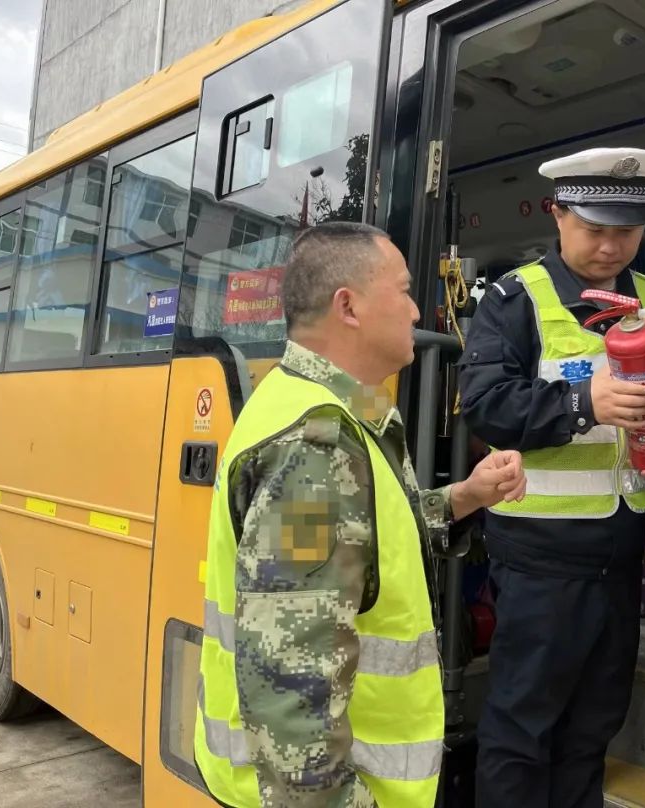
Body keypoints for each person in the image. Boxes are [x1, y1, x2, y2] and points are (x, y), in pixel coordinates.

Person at [194, 222, 527, 808]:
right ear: (348, 307)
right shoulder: (313, 448)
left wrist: (464, 497)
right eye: (401, 290)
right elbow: (289, 690)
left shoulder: (329, 401)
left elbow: (366, 541)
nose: (416, 308)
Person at [457, 147, 645, 808]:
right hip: (540, 560)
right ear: (557, 214)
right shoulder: (516, 299)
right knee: (521, 730)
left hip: (621, 559)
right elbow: (484, 407)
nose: (610, 245)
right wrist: (580, 404)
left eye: (626, 230)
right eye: (594, 227)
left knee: (593, 728)